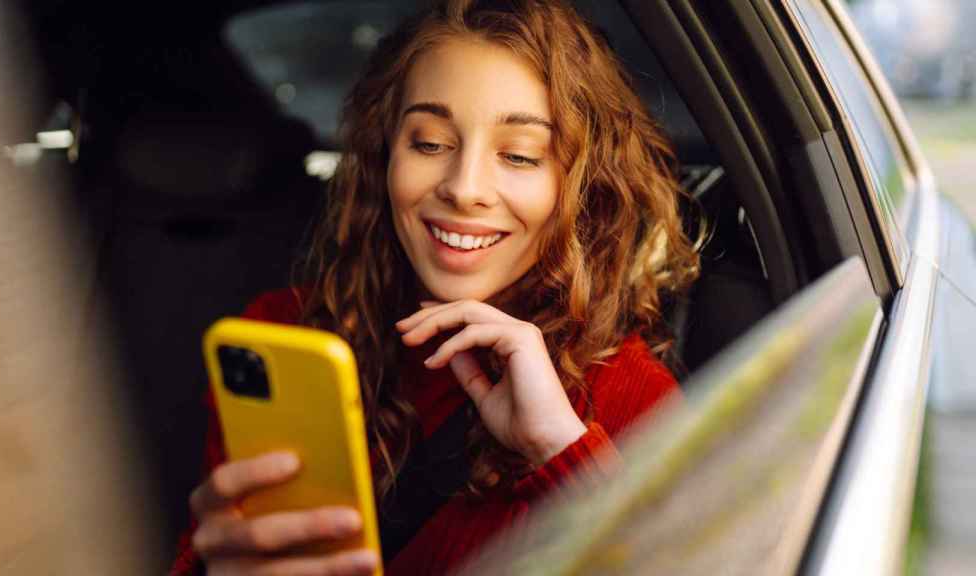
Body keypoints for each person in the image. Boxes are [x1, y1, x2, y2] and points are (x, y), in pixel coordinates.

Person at [170, 0, 700, 574]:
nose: (464, 188)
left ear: (582, 186)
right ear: (384, 155)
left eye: (520, 155)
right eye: (429, 143)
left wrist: (561, 451)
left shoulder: (630, 395)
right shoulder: (281, 335)